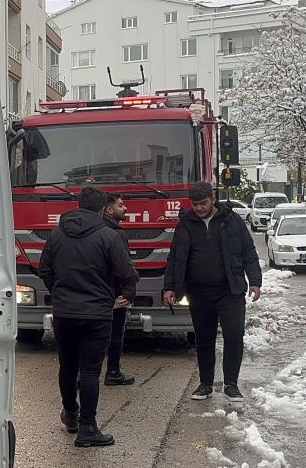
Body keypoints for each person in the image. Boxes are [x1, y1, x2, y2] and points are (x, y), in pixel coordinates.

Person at [39, 187, 140, 447]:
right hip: (97, 314)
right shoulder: (108, 236)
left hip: (64, 313)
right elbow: (125, 272)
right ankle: (88, 428)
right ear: (102, 209)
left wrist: (60, 293)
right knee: (91, 371)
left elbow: (45, 270)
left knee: (67, 365)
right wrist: (122, 292)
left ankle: (70, 413)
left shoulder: (56, 234)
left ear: (78, 205)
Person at [163, 181, 262, 403]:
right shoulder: (185, 225)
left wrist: (255, 281)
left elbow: (249, 252)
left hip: (230, 290)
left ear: (213, 199)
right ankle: (205, 384)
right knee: (204, 339)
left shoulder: (232, 221)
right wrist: (169, 286)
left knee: (234, 336)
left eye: (203, 203)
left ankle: (231, 385)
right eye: (195, 204)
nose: (199, 208)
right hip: (199, 292)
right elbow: (174, 258)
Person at [101, 194, 136, 386]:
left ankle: (83, 374)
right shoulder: (116, 234)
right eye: (121, 205)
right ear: (108, 210)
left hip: (93, 295)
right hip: (114, 294)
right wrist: (129, 291)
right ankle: (113, 372)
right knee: (114, 334)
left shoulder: (89, 231)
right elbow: (125, 267)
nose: (125, 209)